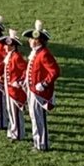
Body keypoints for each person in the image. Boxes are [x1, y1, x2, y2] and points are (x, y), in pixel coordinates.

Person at [22, 20, 58, 151]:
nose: (30, 41)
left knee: (38, 118)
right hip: (32, 90)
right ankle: (37, 142)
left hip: (39, 92)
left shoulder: (44, 54)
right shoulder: (37, 53)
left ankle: (42, 144)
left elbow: (54, 71)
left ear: (38, 41)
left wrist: (44, 83)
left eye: (32, 39)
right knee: (34, 117)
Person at [1, 30, 28, 142]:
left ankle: (18, 133)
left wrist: (19, 81)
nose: (5, 47)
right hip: (9, 87)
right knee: (10, 110)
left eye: (8, 45)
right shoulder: (10, 56)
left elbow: (25, 71)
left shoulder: (16, 57)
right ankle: (12, 131)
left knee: (15, 111)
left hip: (14, 89)